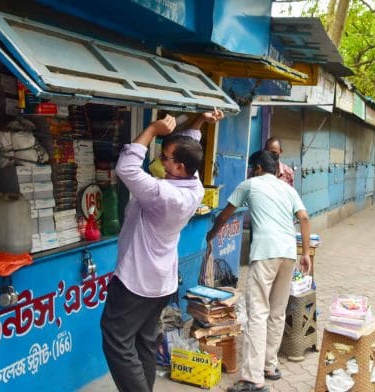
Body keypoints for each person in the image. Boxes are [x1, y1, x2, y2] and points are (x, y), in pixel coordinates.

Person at [100, 109, 224, 392]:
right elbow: (190, 143)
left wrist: (152, 131)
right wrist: (200, 121)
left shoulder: (164, 194)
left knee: (117, 341)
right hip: (160, 282)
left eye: (164, 158)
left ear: (178, 167)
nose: (158, 160)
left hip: (137, 281)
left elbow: (127, 168)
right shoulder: (191, 184)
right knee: (142, 340)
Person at [207, 151, 311, 392]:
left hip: (265, 253)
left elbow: (225, 214)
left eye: (252, 168)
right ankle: (269, 366)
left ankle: (253, 379)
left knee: (257, 313)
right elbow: (304, 217)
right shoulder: (288, 189)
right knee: (276, 312)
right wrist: (305, 253)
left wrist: (212, 234)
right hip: (288, 253)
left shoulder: (250, 184)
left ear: (257, 168)